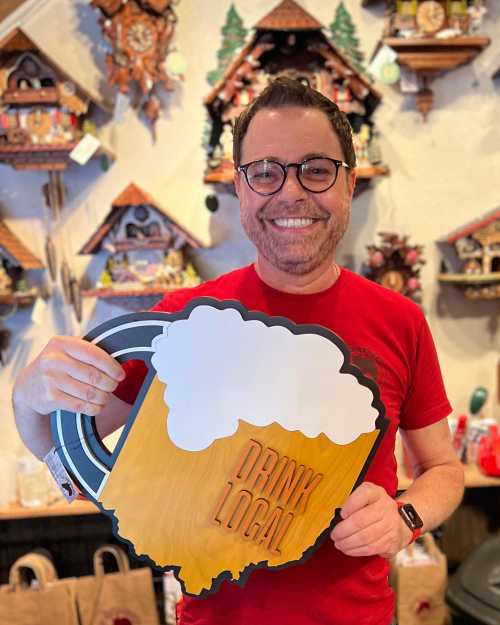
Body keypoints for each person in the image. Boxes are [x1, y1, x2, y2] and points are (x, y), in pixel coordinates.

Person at [12, 77, 464, 625]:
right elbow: (72, 462)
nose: (291, 192)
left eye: (316, 169)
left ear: (348, 184)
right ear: (242, 189)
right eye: (266, 173)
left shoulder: (401, 320)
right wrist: (28, 399)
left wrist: (406, 517)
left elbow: (443, 468)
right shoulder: (183, 319)